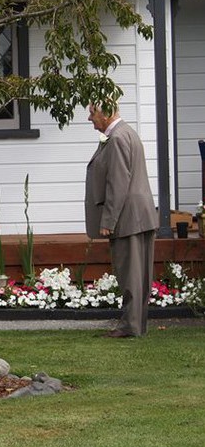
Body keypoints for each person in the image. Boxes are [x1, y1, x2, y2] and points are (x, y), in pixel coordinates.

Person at [85, 102, 158, 338]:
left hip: (128, 218)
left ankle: (130, 326)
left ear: (105, 114)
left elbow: (117, 184)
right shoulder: (127, 132)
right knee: (139, 274)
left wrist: (108, 221)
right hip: (140, 215)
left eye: (92, 113)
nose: (90, 119)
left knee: (130, 274)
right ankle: (136, 324)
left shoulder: (116, 138)